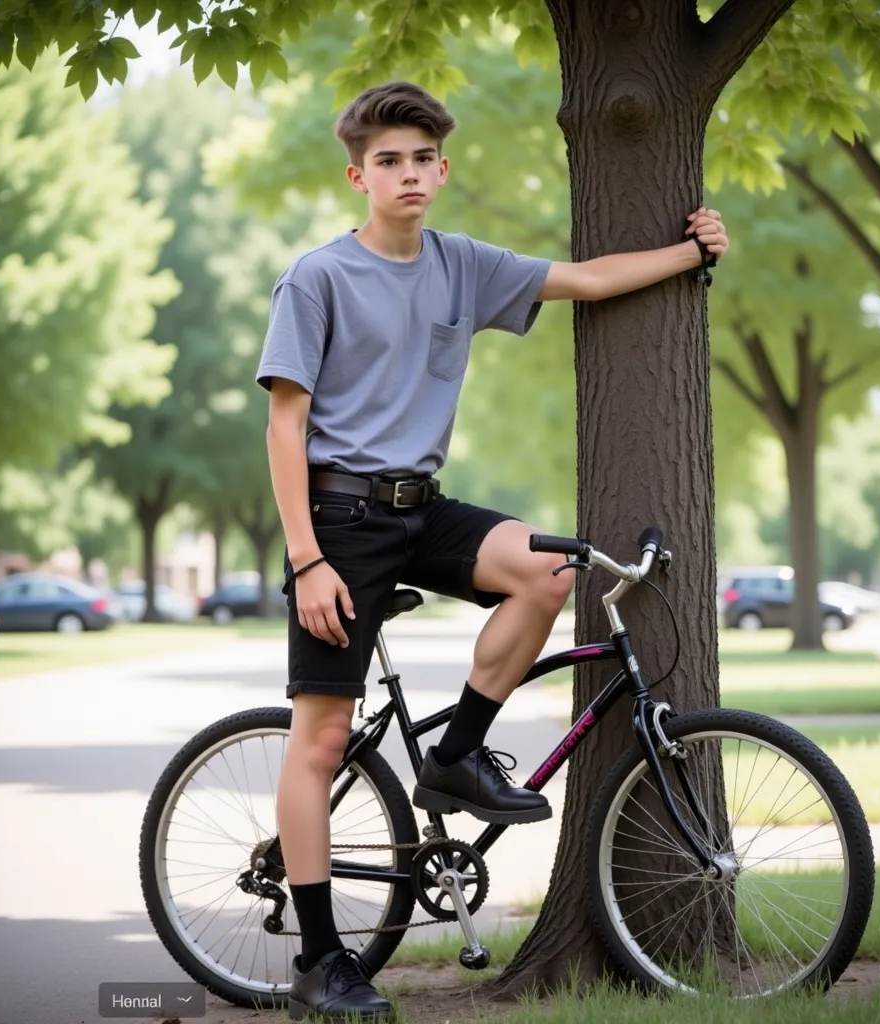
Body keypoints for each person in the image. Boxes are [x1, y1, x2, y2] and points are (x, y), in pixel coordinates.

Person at [255, 80, 728, 1023]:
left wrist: (692, 251)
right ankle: (318, 959)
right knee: (318, 740)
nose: (408, 174)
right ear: (359, 175)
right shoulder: (317, 278)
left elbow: (586, 279)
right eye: (388, 161)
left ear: (442, 167)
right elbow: (283, 424)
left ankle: (457, 754)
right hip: (339, 520)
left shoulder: (463, 266)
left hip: (421, 509)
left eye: (422, 158)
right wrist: (306, 559)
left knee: (551, 570)